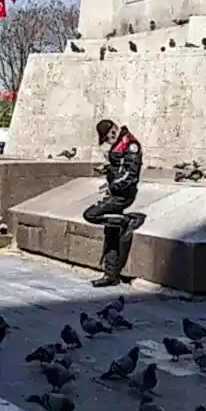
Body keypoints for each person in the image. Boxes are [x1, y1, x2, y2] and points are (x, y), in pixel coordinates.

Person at [83, 119, 145, 288]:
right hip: (115, 192)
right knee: (110, 232)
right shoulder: (119, 144)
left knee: (90, 215)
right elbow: (119, 167)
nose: (107, 141)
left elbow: (131, 173)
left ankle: (125, 221)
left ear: (113, 130)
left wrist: (115, 185)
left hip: (122, 195)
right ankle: (111, 275)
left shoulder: (130, 144)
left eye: (107, 138)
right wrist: (107, 170)